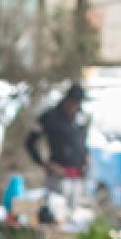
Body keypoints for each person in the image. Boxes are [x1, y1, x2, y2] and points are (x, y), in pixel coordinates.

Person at [25, 84, 91, 224]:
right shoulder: (49, 117)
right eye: (73, 102)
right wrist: (44, 163)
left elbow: (82, 142)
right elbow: (30, 142)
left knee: (72, 216)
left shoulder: (81, 117)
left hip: (77, 176)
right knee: (55, 214)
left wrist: (86, 157)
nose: (75, 107)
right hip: (57, 175)